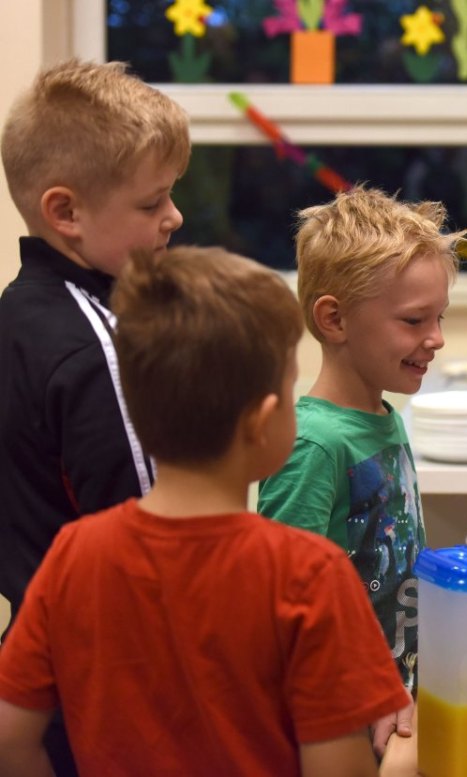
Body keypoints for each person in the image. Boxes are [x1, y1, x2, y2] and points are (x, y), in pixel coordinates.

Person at [0, 246, 412, 775]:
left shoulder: (73, 556)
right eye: (289, 391)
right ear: (263, 422)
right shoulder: (309, 573)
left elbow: (11, 736)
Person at [0, 58, 190, 775]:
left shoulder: (17, 312)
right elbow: (153, 545)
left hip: (38, 654)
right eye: (152, 204)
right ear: (65, 213)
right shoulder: (95, 352)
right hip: (105, 684)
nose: (174, 217)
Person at [257, 188, 467, 716]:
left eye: (440, 318)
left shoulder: (383, 416)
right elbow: (282, 609)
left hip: (395, 699)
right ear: (335, 320)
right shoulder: (312, 444)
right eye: (415, 321)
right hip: (343, 715)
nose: (437, 338)